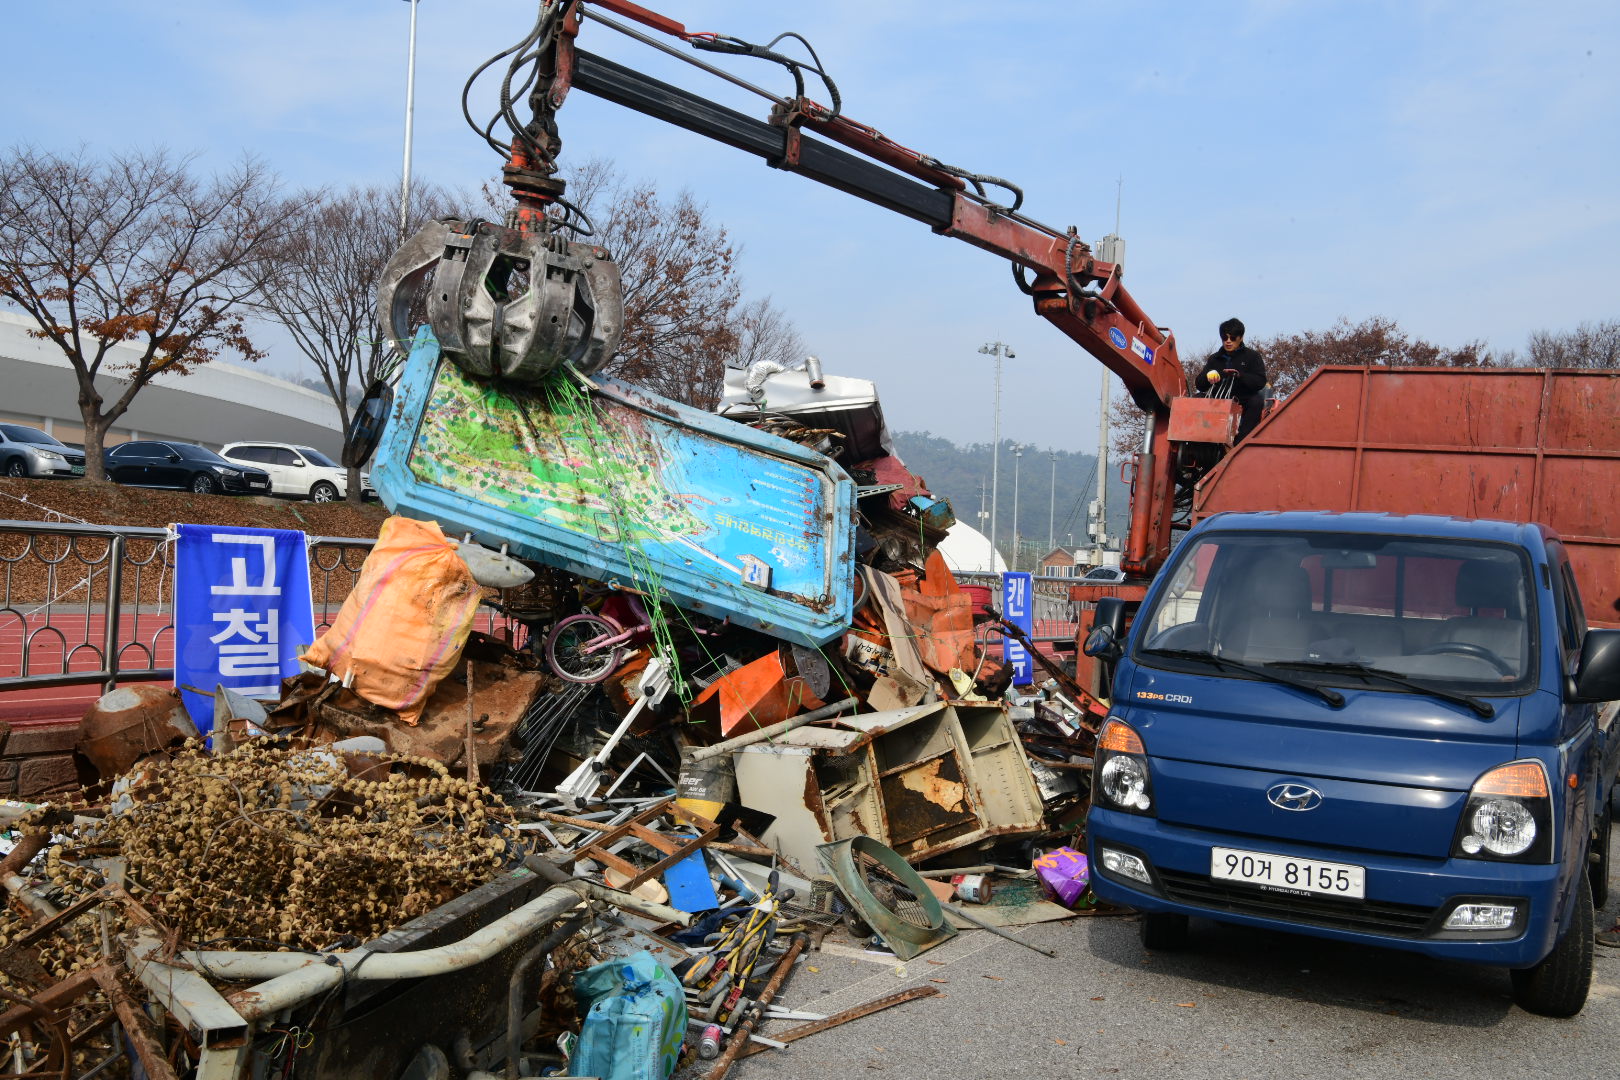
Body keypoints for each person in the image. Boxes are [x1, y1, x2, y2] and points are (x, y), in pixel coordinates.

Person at [1198, 317, 1268, 442]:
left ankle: (1242, 441)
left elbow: (1260, 380)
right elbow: (1199, 384)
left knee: (1256, 401)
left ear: (1240, 338)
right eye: (1225, 338)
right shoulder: (1214, 359)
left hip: (1243, 397)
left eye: (1233, 338)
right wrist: (1208, 376)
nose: (1228, 341)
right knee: (1197, 398)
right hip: (1218, 398)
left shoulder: (1252, 356)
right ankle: (1197, 439)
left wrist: (1240, 375)